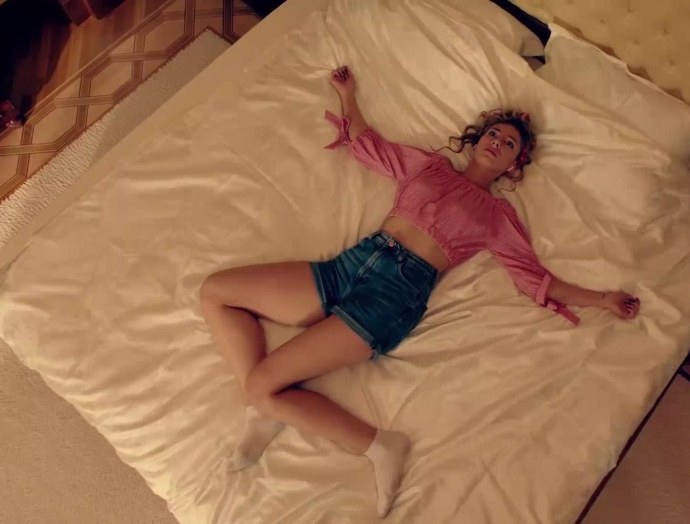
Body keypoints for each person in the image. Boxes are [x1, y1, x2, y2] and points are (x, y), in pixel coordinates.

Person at [199, 66, 641, 518]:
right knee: (216, 292)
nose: (498, 142)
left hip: (392, 296)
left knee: (261, 384)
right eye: (494, 133)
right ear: (478, 138)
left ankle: (379, 445)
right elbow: (371, 145)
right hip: (351, 264)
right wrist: (348, 95)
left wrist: (601, 299)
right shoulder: (430, 166)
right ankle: (266, 409)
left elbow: (534, 277)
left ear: (514, 165)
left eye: (510, 144)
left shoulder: (497, 217)